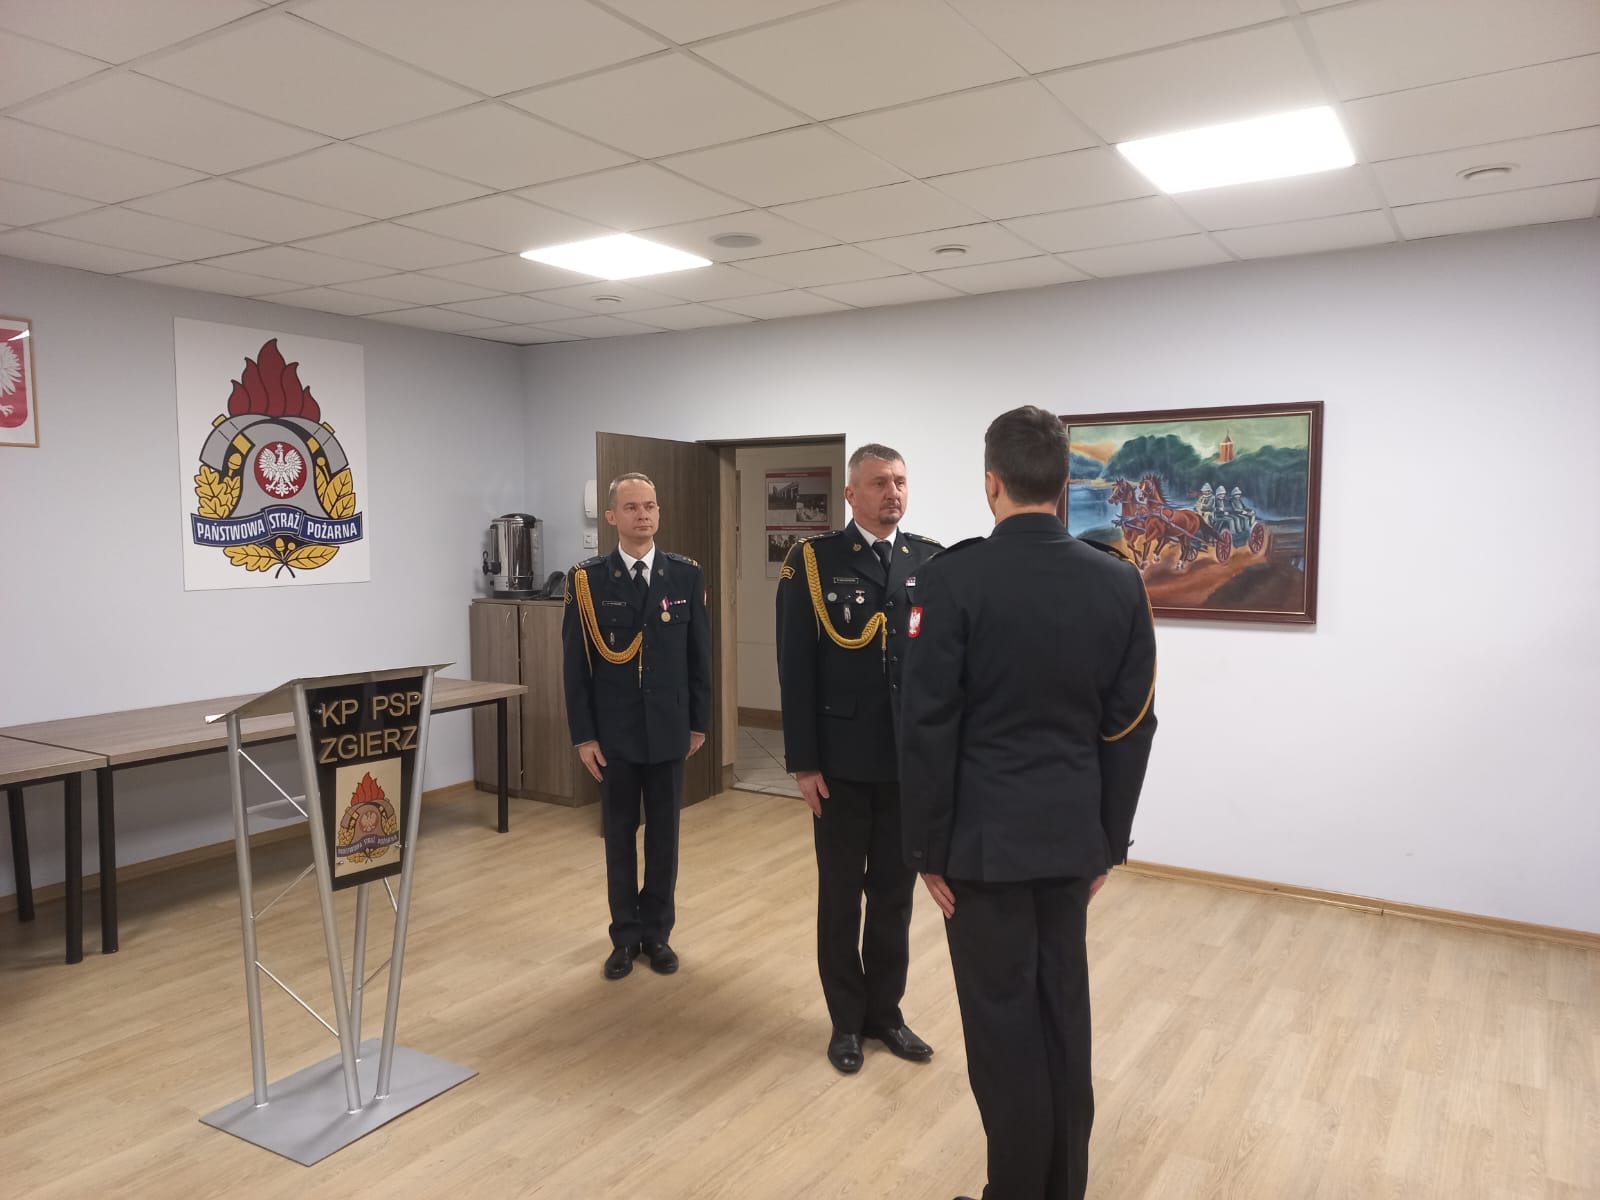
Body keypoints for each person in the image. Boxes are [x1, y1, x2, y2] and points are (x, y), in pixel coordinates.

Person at [899, 406, 1158, 1200]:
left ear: (992, 484)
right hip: (1071, 840)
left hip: (981, 850)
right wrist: (1107, 841)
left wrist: (927, 850)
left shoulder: (952, 578)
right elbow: (1132, 725)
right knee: (1062, 1019)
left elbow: (927, 725)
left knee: (1002, 1031)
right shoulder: (1117, 580)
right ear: (1066, 481)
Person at [775, 443, 943, 1074]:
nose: (891, 492)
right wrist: (804, 762)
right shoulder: (814, 562)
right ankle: (846, 1021)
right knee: (842, 896)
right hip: (841, 763)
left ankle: (886, 1015)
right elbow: (795, 667)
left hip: (905, 765)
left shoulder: (929, 560)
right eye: (878, 483)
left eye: (899, 481)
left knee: (895, 897)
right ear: (851, 494)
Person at [562, 472, 712, 981]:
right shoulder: (588, 581)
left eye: (649, 506)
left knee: (664, 839)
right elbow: (576, 666)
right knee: (620, 837)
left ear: (658, 513)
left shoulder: (684, 576)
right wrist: (584, 736)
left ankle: (658, 935)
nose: (642, 515)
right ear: (611, 517)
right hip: (615, 735)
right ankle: (625, 937)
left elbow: (700, 657)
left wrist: (698, 722)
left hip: (669, 729)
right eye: (631, 507)